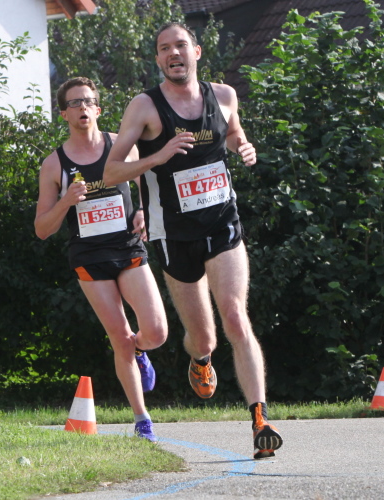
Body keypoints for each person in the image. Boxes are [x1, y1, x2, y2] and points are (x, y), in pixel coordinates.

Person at [104, 22, 283, 459]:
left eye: (180, 45)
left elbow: (234, 133)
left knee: (235, 316)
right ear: (158, 59)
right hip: (174, 236)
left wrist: (244, 146)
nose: (173, 53)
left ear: (196, 52)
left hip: (222, 223)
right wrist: (159, 156)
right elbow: (110, 172)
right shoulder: (145, 107)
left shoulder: (223, 96)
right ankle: (201, 360)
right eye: (164, 48)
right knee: (204, 339)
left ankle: (260, 420)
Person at [35, 77, 167, 442]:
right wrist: (65, 201)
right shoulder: (54, 165)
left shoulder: (120, 146)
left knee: (156, 332)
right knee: (119, 337)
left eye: (87, 101)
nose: (81, 108)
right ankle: (142, 420)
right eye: (73, 103)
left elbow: (150, 188)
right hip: (89, 257)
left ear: (98, 109)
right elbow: (42, 229)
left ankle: (141, 350)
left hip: (127, 247)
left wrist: (145, 211)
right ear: (63, 114)